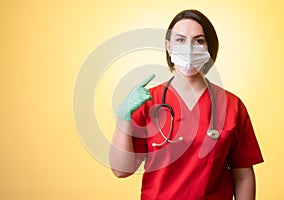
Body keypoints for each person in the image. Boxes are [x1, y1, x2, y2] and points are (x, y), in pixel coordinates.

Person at [109, 9, 263, 200]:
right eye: (180, 40)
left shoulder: (232, 106)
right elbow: (121, 170)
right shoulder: (148, 102)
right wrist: (123, 119)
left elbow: (243, 176)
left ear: (209, 48)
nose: (189, 48)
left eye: (198, 40)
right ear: (168, 46)